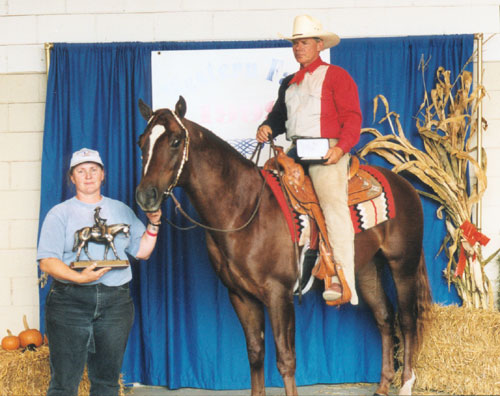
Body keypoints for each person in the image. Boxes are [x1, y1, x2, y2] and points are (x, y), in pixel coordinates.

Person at [37, 148, 162, 396]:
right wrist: (80, 277)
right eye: (81, 171)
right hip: (69, 302)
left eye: (94, 170)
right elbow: (47, 262)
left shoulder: (121, 210)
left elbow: (143, 251)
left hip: (116, 303)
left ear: (103, 175)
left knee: (106, 383)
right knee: (64, 384)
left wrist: (154, 223)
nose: (88, 175)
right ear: (72, 178)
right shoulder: (59, 213)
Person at [256, 15, 362, 305]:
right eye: (295, 42)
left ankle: (341, 277)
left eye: (304, 42)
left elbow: (352, 117)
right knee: (264, 189)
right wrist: (268, 126)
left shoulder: (336, 75)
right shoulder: (288, 83)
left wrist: (340, 149)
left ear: (319, 44)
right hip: (296, 150)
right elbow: (279, 117)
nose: (298, 47)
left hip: (326, 149)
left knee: (331, 202)